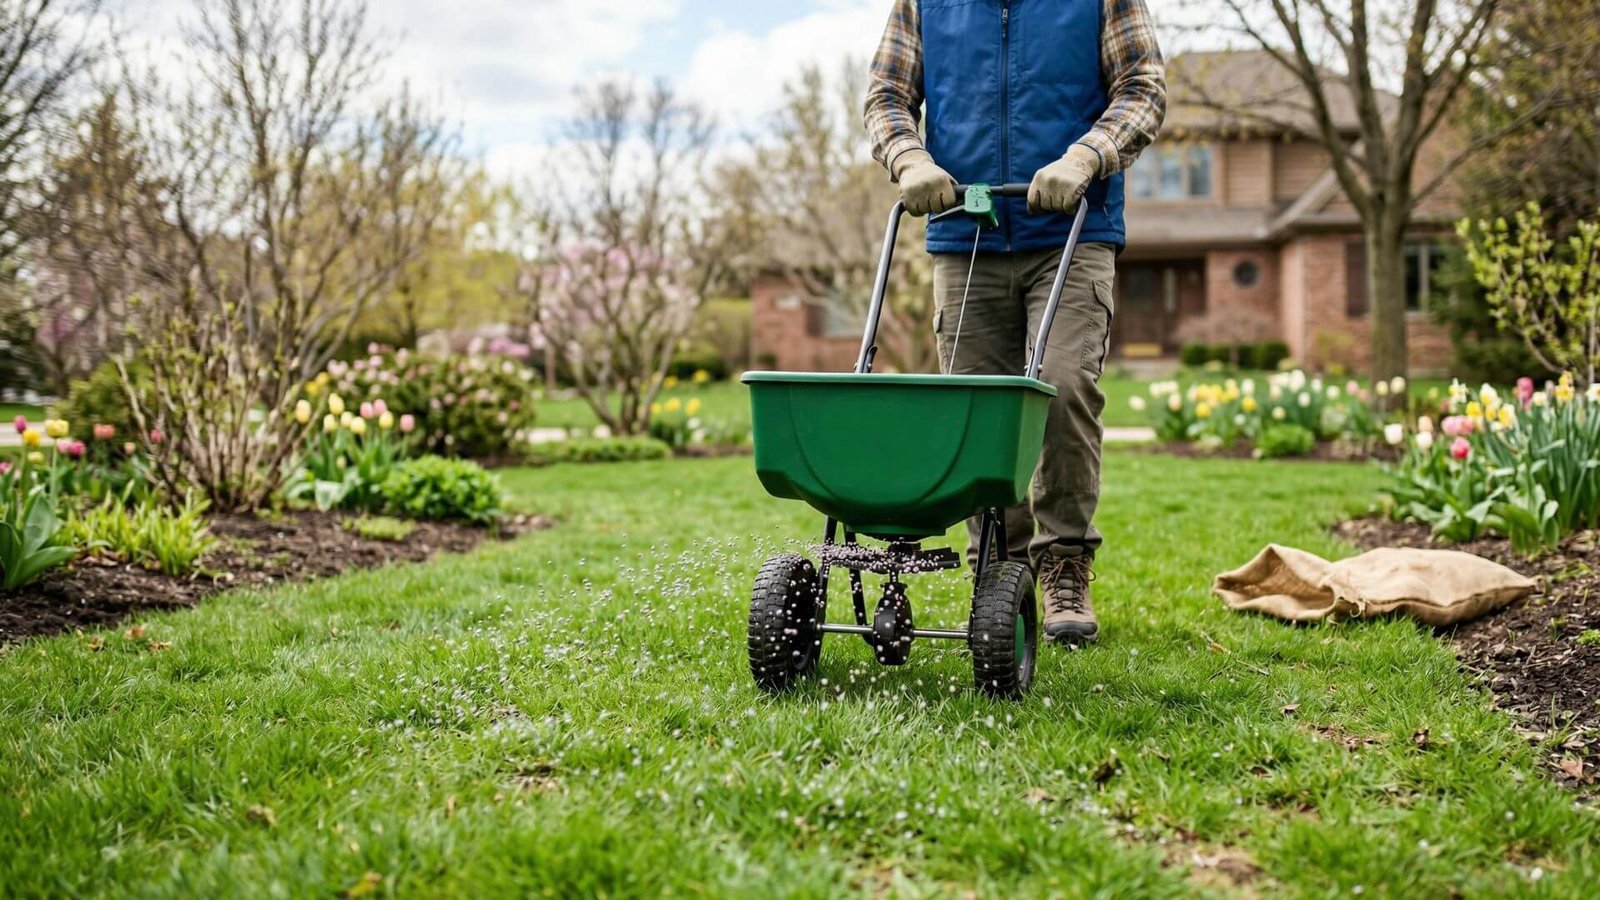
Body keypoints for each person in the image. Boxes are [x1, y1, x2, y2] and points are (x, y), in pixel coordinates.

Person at [865, 0, 1166, 644]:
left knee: (1062, 387)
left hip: (1072, 230)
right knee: (977, 412)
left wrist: (1087, 155)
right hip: (965, 229)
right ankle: (997, 569)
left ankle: (1063, 565)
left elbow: (1142, 88)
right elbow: (887, 94)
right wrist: (909, 160)